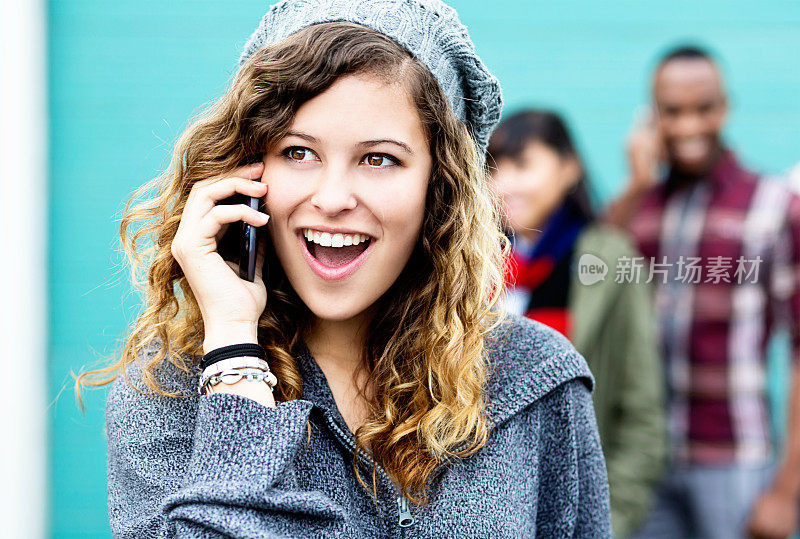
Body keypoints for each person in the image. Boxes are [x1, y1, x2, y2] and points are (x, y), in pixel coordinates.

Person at [76, 0, 612, 537]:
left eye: (378, 159)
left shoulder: (536, 380)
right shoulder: (168, 392)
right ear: (244, 170)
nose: (332, 198)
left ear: (439, 186)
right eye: (298, 153)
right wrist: (236, 357)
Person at [608, 45, 800, 539]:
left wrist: (786, 489)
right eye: (673, 111)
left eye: (703, 108)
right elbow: (591, 268)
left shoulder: (774, 206)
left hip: (733, 461)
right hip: (648, 464)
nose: (689, 124)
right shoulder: (641, 209)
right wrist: (634, 184)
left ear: (725, 108)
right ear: (653, 118)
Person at [487, 109, 666, 537]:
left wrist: (607, 522)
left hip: (571, 501)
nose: (505, 183)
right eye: (495, 168)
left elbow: (641, 409)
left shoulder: (608, 259)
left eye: (523, 165)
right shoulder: (471, 261)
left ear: (569, 170)